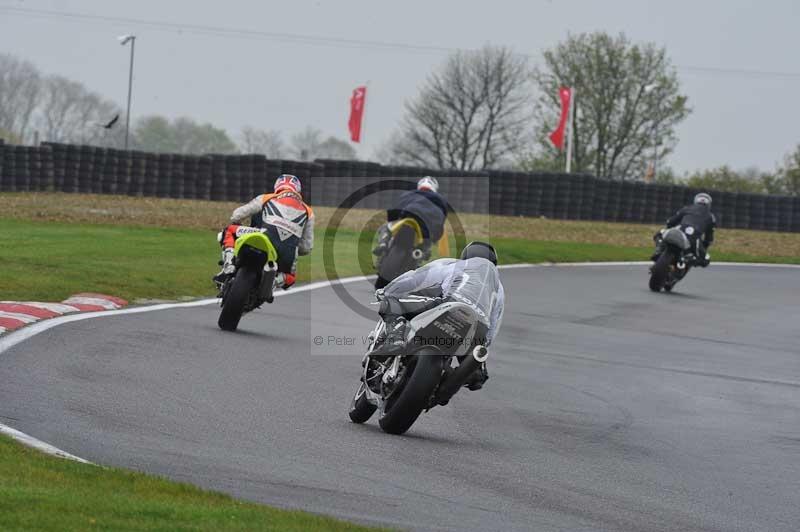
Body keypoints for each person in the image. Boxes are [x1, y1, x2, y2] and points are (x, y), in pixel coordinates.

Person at [373, 241, 504, 391]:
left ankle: (394, 340)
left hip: (450, 306)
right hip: (479, 327)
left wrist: (387, 290)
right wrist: (482, 347)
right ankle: (468, 375)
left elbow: (415, 278)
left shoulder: (455, 265)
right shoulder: (499, 289)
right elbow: (494, 323)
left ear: (465, 256)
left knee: (391, 302)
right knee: (475, 370)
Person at [214, 174, 314, 290]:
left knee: (229, 230)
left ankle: (229, 265)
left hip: (265, 236)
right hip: (288, 252)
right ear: (298, 190)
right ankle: (275, 281)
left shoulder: (268, 197)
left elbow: (237, 215)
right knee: (290, 278)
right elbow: (307, 247)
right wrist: (293, 245)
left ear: (277, 186)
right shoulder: (309, 211)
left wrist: (238, 222)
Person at [373, 176, 448, 260]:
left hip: (408, 216)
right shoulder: (441, 199)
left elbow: (396, 207)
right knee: (429, 240)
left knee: (386, 227)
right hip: (427, 226)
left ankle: (383, 243)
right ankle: (424, 251)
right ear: (434, 188)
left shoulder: (409, 194)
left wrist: (392, 218)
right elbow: (442, 219)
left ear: (419, 185)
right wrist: (435, 238)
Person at [652, 192, 716, 266]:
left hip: (679, 231)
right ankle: (688, 259)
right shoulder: (711, 217)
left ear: (695, 201)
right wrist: (705, 246)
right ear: (709, 204)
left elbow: (670, 221)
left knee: (659, 234)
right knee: (706, 260)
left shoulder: (687, 208)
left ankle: (658, 250)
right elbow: (709, 237)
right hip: (694, 238)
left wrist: (669, 227)